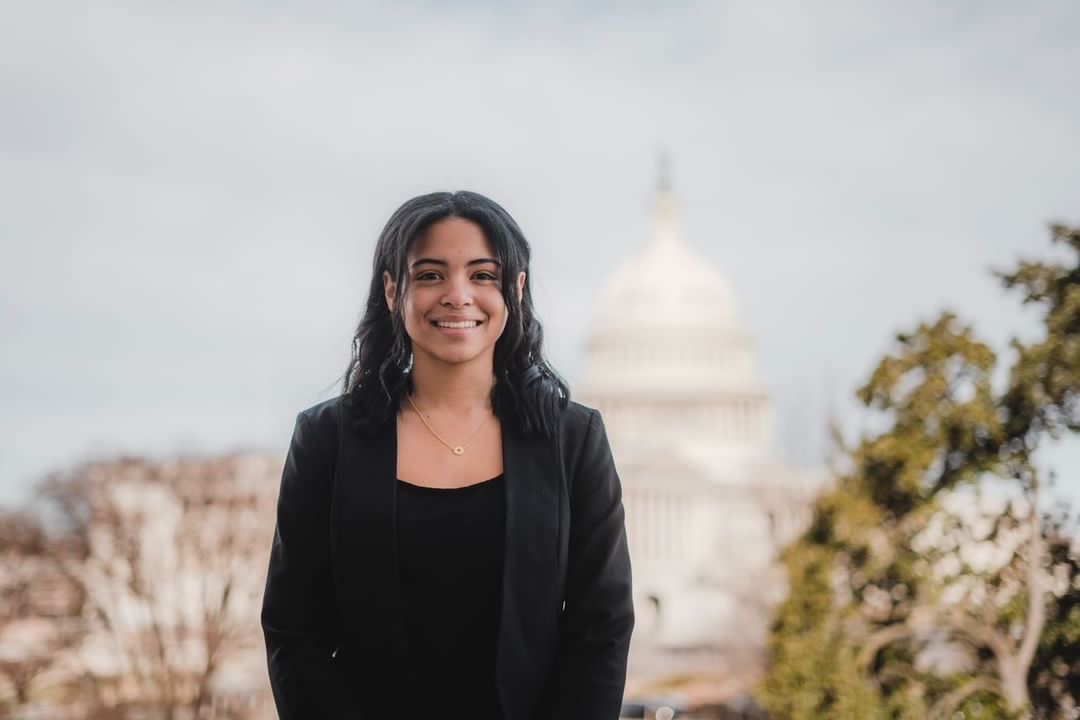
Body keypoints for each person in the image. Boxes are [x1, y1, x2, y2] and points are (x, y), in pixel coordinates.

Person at [260, 190, 634, 719]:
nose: (458, 295)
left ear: (516, 290)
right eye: (432, 274)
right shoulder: (326, 440)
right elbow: (294, 631)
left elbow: (602, 630)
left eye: (483, 275)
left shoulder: (574, 439)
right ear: (393, 290)